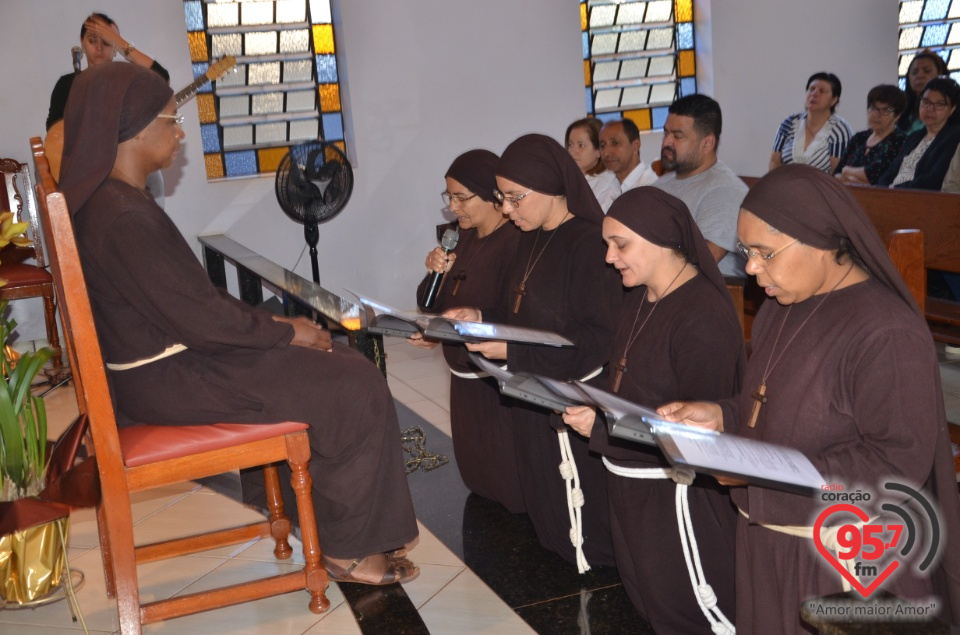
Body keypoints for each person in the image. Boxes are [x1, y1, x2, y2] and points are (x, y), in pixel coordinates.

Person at [57, 62, 419, 586]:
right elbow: (201, 317)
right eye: (170, 120)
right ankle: (351, 550)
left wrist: (273, 326)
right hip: (171, 376)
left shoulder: (108, 203)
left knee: (331, 361)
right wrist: (283, 330)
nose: (180, 133)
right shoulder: (122, 216)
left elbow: (190, 305)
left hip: (162, 366)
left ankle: (309, 518)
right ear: (132, 131)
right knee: (353, 383)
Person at [659, 164, 960, 634]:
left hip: (836, 563)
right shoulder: (781, 308)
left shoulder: (886, 331)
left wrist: (761, 471)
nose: (751, 269)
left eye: (763, 253)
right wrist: (724, 414)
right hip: (767, 544)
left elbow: (897, 462)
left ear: (819, 239)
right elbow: (779, 406)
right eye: (745, 252)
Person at [562, 187, 744, 634]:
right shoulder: (641, 296)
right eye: (608, 244)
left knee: (688, 612)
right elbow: (625, 379)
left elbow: (696, 437)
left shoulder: (702, 317)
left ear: (663, 239)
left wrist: (604, 427)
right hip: (632, 488)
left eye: (620, 244)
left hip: (678, 500)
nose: (609, 258)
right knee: (651, 606)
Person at [449, 134, 622, 572]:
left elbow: (597, 338)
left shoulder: (587, 243)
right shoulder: (530, 237)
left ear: (549, 187)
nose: (507, 210)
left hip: (570, 393)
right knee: (545, 512)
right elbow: (520, 310)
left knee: (582, 528)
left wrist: (511, 348)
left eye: (514, 198)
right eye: (502, 199)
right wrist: (483, 313)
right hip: (532, 384)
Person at [412, 149, 524, 513]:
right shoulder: (461, 238)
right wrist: (434, 273)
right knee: (478, 478)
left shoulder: (516, 242)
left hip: (497, 382)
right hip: (463, 375)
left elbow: (514, 312)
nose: (454, 208)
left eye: (462, 198)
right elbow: (431, 303)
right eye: (450, 199)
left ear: (494, 196)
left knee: (509, 481)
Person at [652, 94, 748, 278]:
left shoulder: (726, 192)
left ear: (707, 143)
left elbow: (699, 264)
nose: (666, 142)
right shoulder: (662, 183)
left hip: (703, 297)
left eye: (677, 136)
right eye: (666, 133)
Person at [46, 13, 169, 130]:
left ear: (116, 47)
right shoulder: (67, 83)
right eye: (92, 41)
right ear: (82, 42)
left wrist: (119, 41)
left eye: (107, 42)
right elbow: (53, 132)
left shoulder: (127, 81)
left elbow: (161, 78)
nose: (99, 48)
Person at [878, 77, 960, 190]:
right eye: (926, 102)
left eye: (939, 104)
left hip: (923, 200)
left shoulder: (954, 137)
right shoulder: (914, 136)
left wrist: (894, 189)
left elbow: (935, 180)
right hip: (893, 195)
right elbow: (890, 172)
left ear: (952, 109)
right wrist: (881, 189)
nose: (930, 109)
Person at [770, 72, 852, 174]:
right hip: (786, 186)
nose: (814, 94)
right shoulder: (789, 123)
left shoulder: (839, 130)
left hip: (821, 188)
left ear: (834, 100)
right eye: (811, 89)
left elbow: (837, 173)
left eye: (822, 91)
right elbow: (774, 162)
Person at [834, 85, 908, 185]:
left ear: (897, 115)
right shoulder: (859, 138)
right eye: (873, 108)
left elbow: (875, 176)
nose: (876, 115)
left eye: (885, 110)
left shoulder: (900, 141)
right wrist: (860, 182)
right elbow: (836, 175)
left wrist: (847, 171)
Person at [595, 119, 658, 211]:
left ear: (635, 145)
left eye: (615, 143)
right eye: (603, 146)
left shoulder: (650, 187)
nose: (606, 152)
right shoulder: (612, 185)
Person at [565, 117, 616, 211]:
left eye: (581, 145)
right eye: (570, 145)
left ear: (599, 151)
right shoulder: (566, 180)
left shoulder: (609, 185)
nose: (572, 151)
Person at [898, 49, 949, 135]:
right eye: (914, 72)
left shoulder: (951, 108)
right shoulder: (902, 110)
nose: (920, 76)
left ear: (940, 74)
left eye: (927, 71)